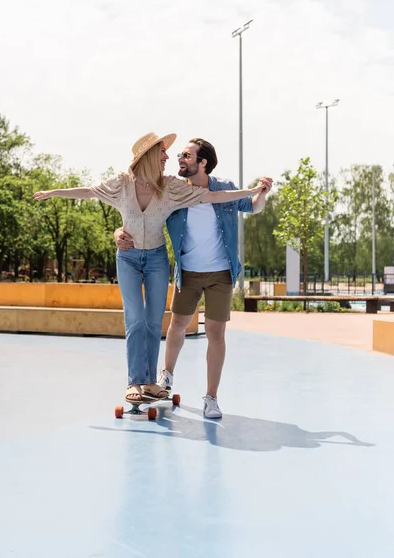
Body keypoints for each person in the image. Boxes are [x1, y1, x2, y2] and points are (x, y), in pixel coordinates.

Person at [34, 132, 268, 404]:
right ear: (148, 156)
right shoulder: (128, 184)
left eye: (181, 154)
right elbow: (92, 193)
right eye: (164, 153)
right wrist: (56, 193)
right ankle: (140, 380)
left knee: (156, 321)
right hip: (146, 262)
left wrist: (254, 191)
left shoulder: (171, 187)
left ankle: (167, 386)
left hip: (167, 260)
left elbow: (216, 197)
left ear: (202, 162)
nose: (171, 157)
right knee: (139, 319)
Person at [114, 137, 272, 417]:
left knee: (215, 333)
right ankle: (167, 375)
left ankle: (211, 397)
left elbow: (252, 206)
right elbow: (141, 213)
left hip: (221, 272)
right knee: (177, 325)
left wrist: (262, 194)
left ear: (203, 163)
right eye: (179, 155)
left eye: (186, 156)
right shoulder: (172, 189)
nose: (179, 159)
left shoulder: (224, 188)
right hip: (187, 272)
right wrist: (119, 232)